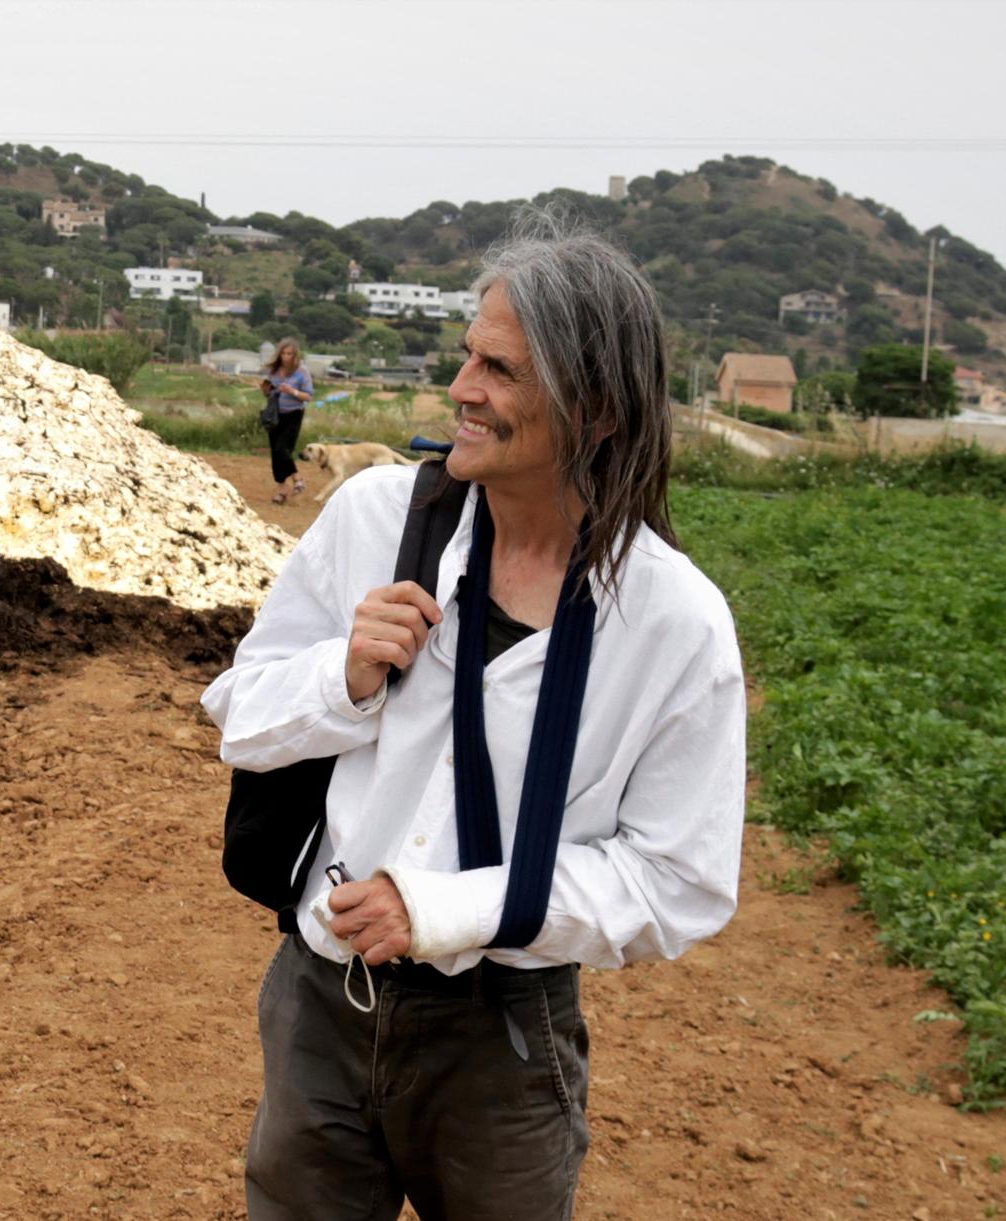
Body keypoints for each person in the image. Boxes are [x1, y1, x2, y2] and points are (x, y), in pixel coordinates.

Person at [202, 210, 746, 1220]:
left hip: (500, 1038)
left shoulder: (670, 626)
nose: (459, 390)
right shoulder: (374, 518)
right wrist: (344, 677)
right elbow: (238, 713)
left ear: (596, 412)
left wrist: (444, 909)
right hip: (320, 999)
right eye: (465, 358)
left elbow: (678, 878)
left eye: (496, 371)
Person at [259, 338, 313, 505]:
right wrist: (266, 390)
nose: (285, 357)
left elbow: (308, 396)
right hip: (276, 414)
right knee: (275, 453)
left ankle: (297, 479)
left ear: (295, 355)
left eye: (289, 353)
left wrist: (293, 391)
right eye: (283, 353)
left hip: (294, 414)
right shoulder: (274, 371)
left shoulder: (302, 372)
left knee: (283, 449)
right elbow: (271, 394)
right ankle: (282, 490)